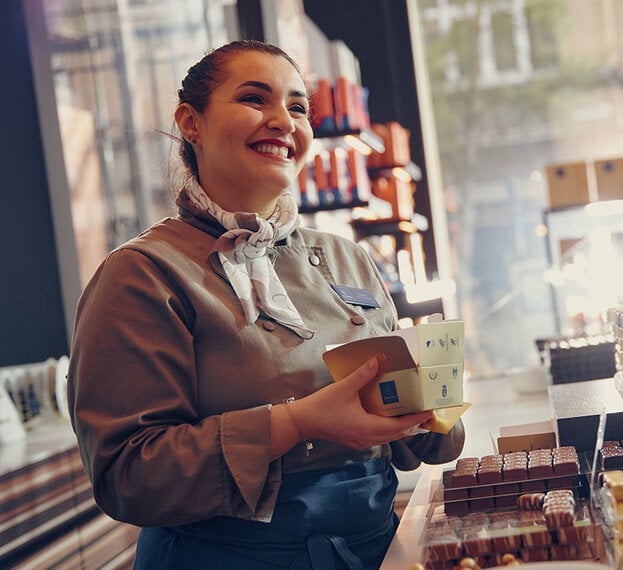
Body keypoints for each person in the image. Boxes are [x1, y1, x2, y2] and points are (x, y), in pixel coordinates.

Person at [67, 39, 464, 569]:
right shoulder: (141, 275)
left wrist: (433, 405)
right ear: (192, 122)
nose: (284, 121)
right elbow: (127, 478)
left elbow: (421, 446)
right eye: (256, 99)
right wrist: (299, 423)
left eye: (298, 107)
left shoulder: (348, 259)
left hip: (377, 552)